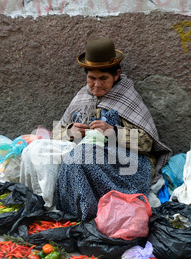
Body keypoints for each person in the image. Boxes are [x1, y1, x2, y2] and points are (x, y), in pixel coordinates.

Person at [52, 37, 172, 221]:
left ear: (116, 75)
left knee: (80, 158)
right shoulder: (82, 96)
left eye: (103, 79)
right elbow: (56, 133)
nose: (96, 85)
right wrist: (70, 132)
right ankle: (76, 215)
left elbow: (147, 143)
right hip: (87, 158)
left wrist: (113, 132)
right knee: (73, 159)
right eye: (91, 78)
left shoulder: (127, 97)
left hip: (128, 166)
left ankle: (92, 216)